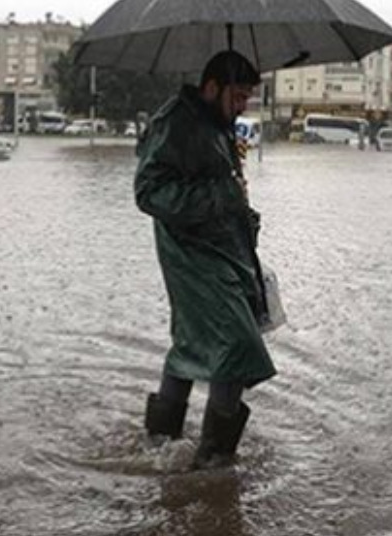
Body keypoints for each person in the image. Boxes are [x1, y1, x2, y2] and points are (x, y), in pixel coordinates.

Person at [134, 50, 275, 470]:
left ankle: (160, 442)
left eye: (247, 97)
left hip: (222, 252)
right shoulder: (176, 123)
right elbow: (149, 194)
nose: (242, 105)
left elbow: (217, 185)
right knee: (236, 345)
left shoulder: (217, 123)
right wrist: (222, 196)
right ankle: (214, 461)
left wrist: (241, 210)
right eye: (237, 95)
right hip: (192, 255)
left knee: (192, 344)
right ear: (211, 87)